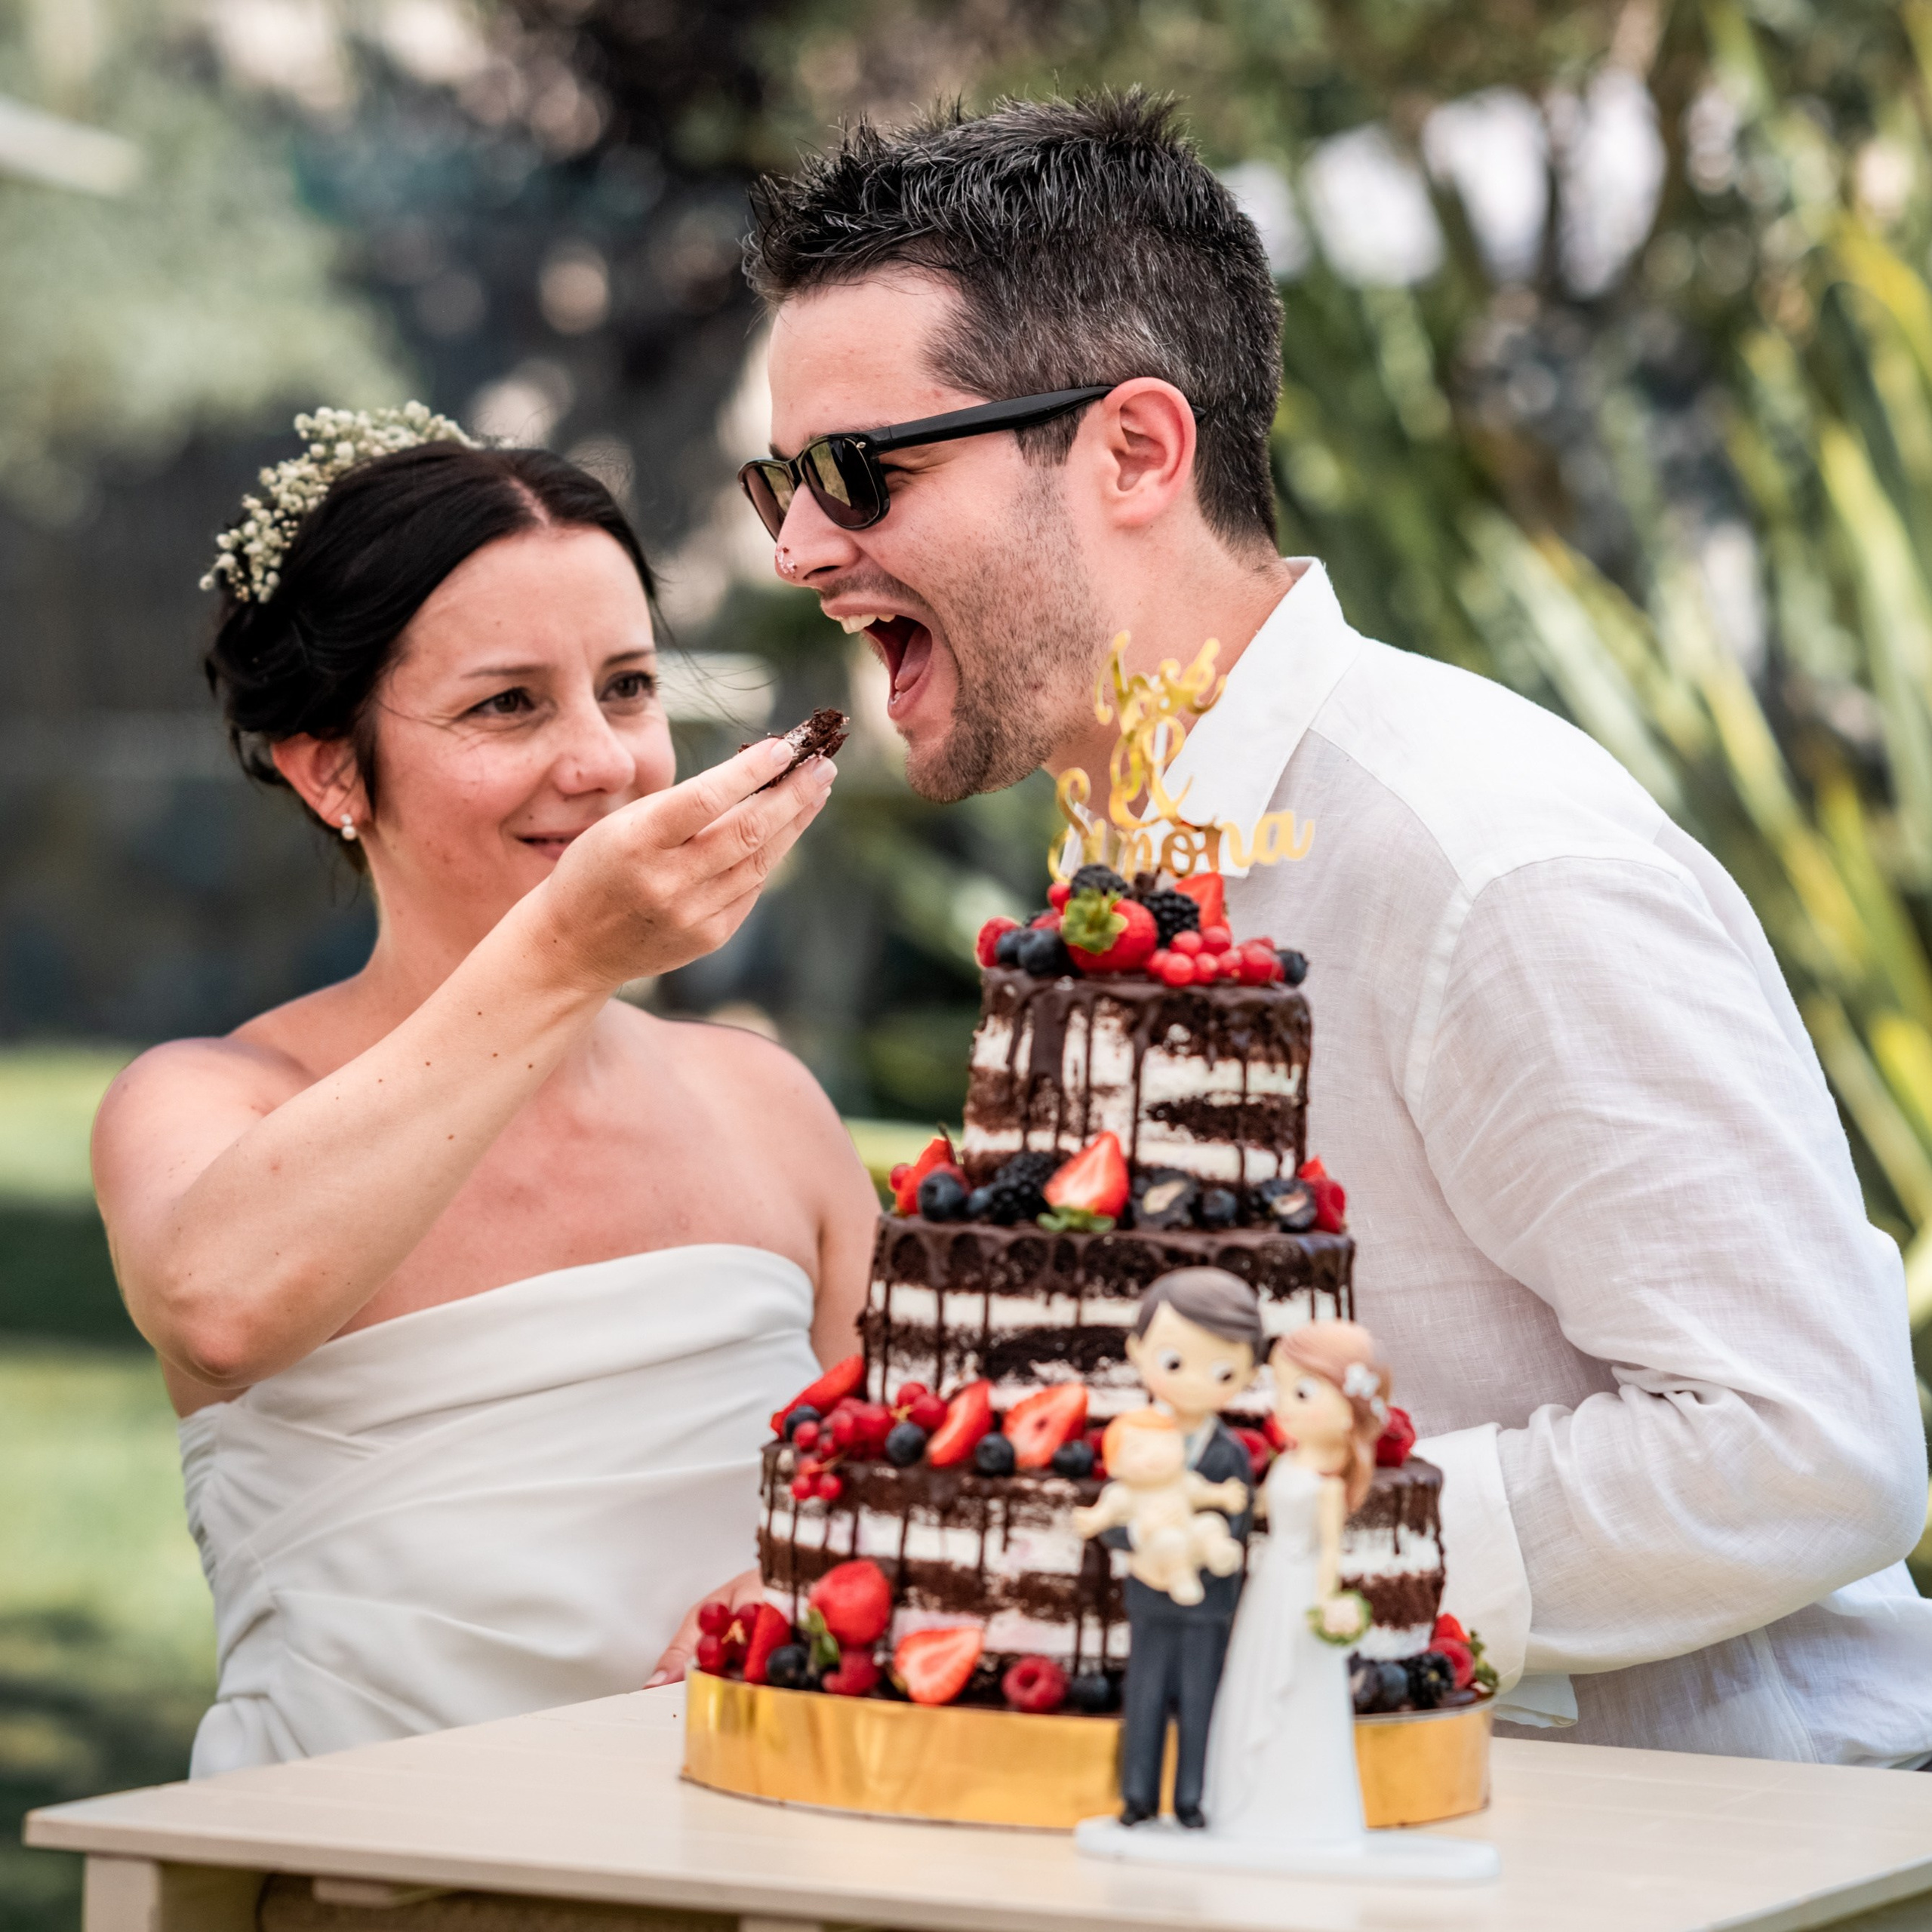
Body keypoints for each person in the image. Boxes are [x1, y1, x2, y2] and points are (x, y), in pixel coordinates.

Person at [737, 94, 1932, 1765]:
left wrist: (1253, 1548)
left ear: (1134, 450)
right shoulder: (1112, 865)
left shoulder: (1479, 854)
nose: (798, 545)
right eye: (777, 480)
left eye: (859, 471)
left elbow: (1810, 1444)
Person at [91, 408, 877, 1774]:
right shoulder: (206, 1099)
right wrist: (567, 955)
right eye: (507, 703)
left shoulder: (768, 1105)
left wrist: (824, 1605)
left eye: (628, 688)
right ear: (329, 767)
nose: (601, 762)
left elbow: (918, 1490)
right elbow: (218, 1312)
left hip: (753, 1867)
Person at [1079, 1268, 1261, 1826]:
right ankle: (1137, 1796)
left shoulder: (1229, 1454)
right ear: (1138, 1351)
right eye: (1175, 1361)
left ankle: (1190, 1799)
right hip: (1149, 1592)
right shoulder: (1131, 1438)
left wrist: (1213, 1555)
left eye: (1223, 1368)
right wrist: (1138, 1540)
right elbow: (1113, 1509)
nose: (1193, 1380)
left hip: (1208, 1601)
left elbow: (1240, 1520)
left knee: (1200, 1700)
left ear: (1250, 1372)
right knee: (1147, 1696)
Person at [1201, 1321, 1386, 1847]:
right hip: (1269, 1580)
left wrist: (1328, 1601)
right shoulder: (1285, 1463)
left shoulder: (1329, 1489)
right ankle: (1241, 1796)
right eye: (1281, 1390)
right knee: (1253, 1674)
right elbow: (1256, 1506)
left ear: (1352, 1410)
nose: (1283, 1406)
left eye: (1301, 1392)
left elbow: (1331, 1550)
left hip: (1300, 1584)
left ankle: (1300, 1803)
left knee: (1298, 1684)